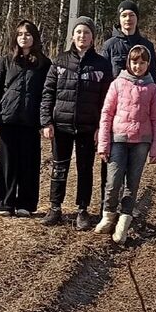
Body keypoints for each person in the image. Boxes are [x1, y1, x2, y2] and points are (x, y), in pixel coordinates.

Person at [40, 16, 113, 230]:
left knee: (85, 169)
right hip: (61, 125)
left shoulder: (102, 65)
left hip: (87, 127)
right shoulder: (60, 61)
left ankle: (83, 210)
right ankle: (55, 208)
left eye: (87, 32)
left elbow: (107, 101)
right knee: (59, 167)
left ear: (93, 38)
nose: (82, 36)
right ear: (72, 36)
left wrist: (101, 128)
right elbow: (48, 93)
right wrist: (46, 122)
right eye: (79, 32)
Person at [0, 20, 52, 217]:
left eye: (27, 34)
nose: (23, 37)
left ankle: (25, 205)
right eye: (20, 34)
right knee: (7, 163)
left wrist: (46, 121)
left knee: (29, 163)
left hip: (31, 121)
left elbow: (48, 94)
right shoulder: (6, 61)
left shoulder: (44, 64)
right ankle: (5, 204)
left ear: (34, 38)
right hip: (8, 119)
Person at [96, 45, 156, 245]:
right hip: (118, 139)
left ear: (148, 65)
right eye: (134, 62)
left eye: (142, 63)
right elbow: (106, 114)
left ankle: (124, 221)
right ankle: (108, 215)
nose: (138, 66)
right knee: (113, 181)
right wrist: (103, 144)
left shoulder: (152, 88)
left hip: (141, 142)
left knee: (132, 184)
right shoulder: (117, 84)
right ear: (128, 63)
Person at [99, 0, 156, 208]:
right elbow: (103, 81)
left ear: (137, 18)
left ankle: (125, 210)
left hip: (139, 123)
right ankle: (107, 208)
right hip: (116, 118)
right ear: (119, 18)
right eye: (124, 15)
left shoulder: (147, 45)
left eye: (132, 15)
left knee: (132, 174)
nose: (128, 19)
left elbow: (154, 80)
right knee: (111, 170)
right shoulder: (109, 45)